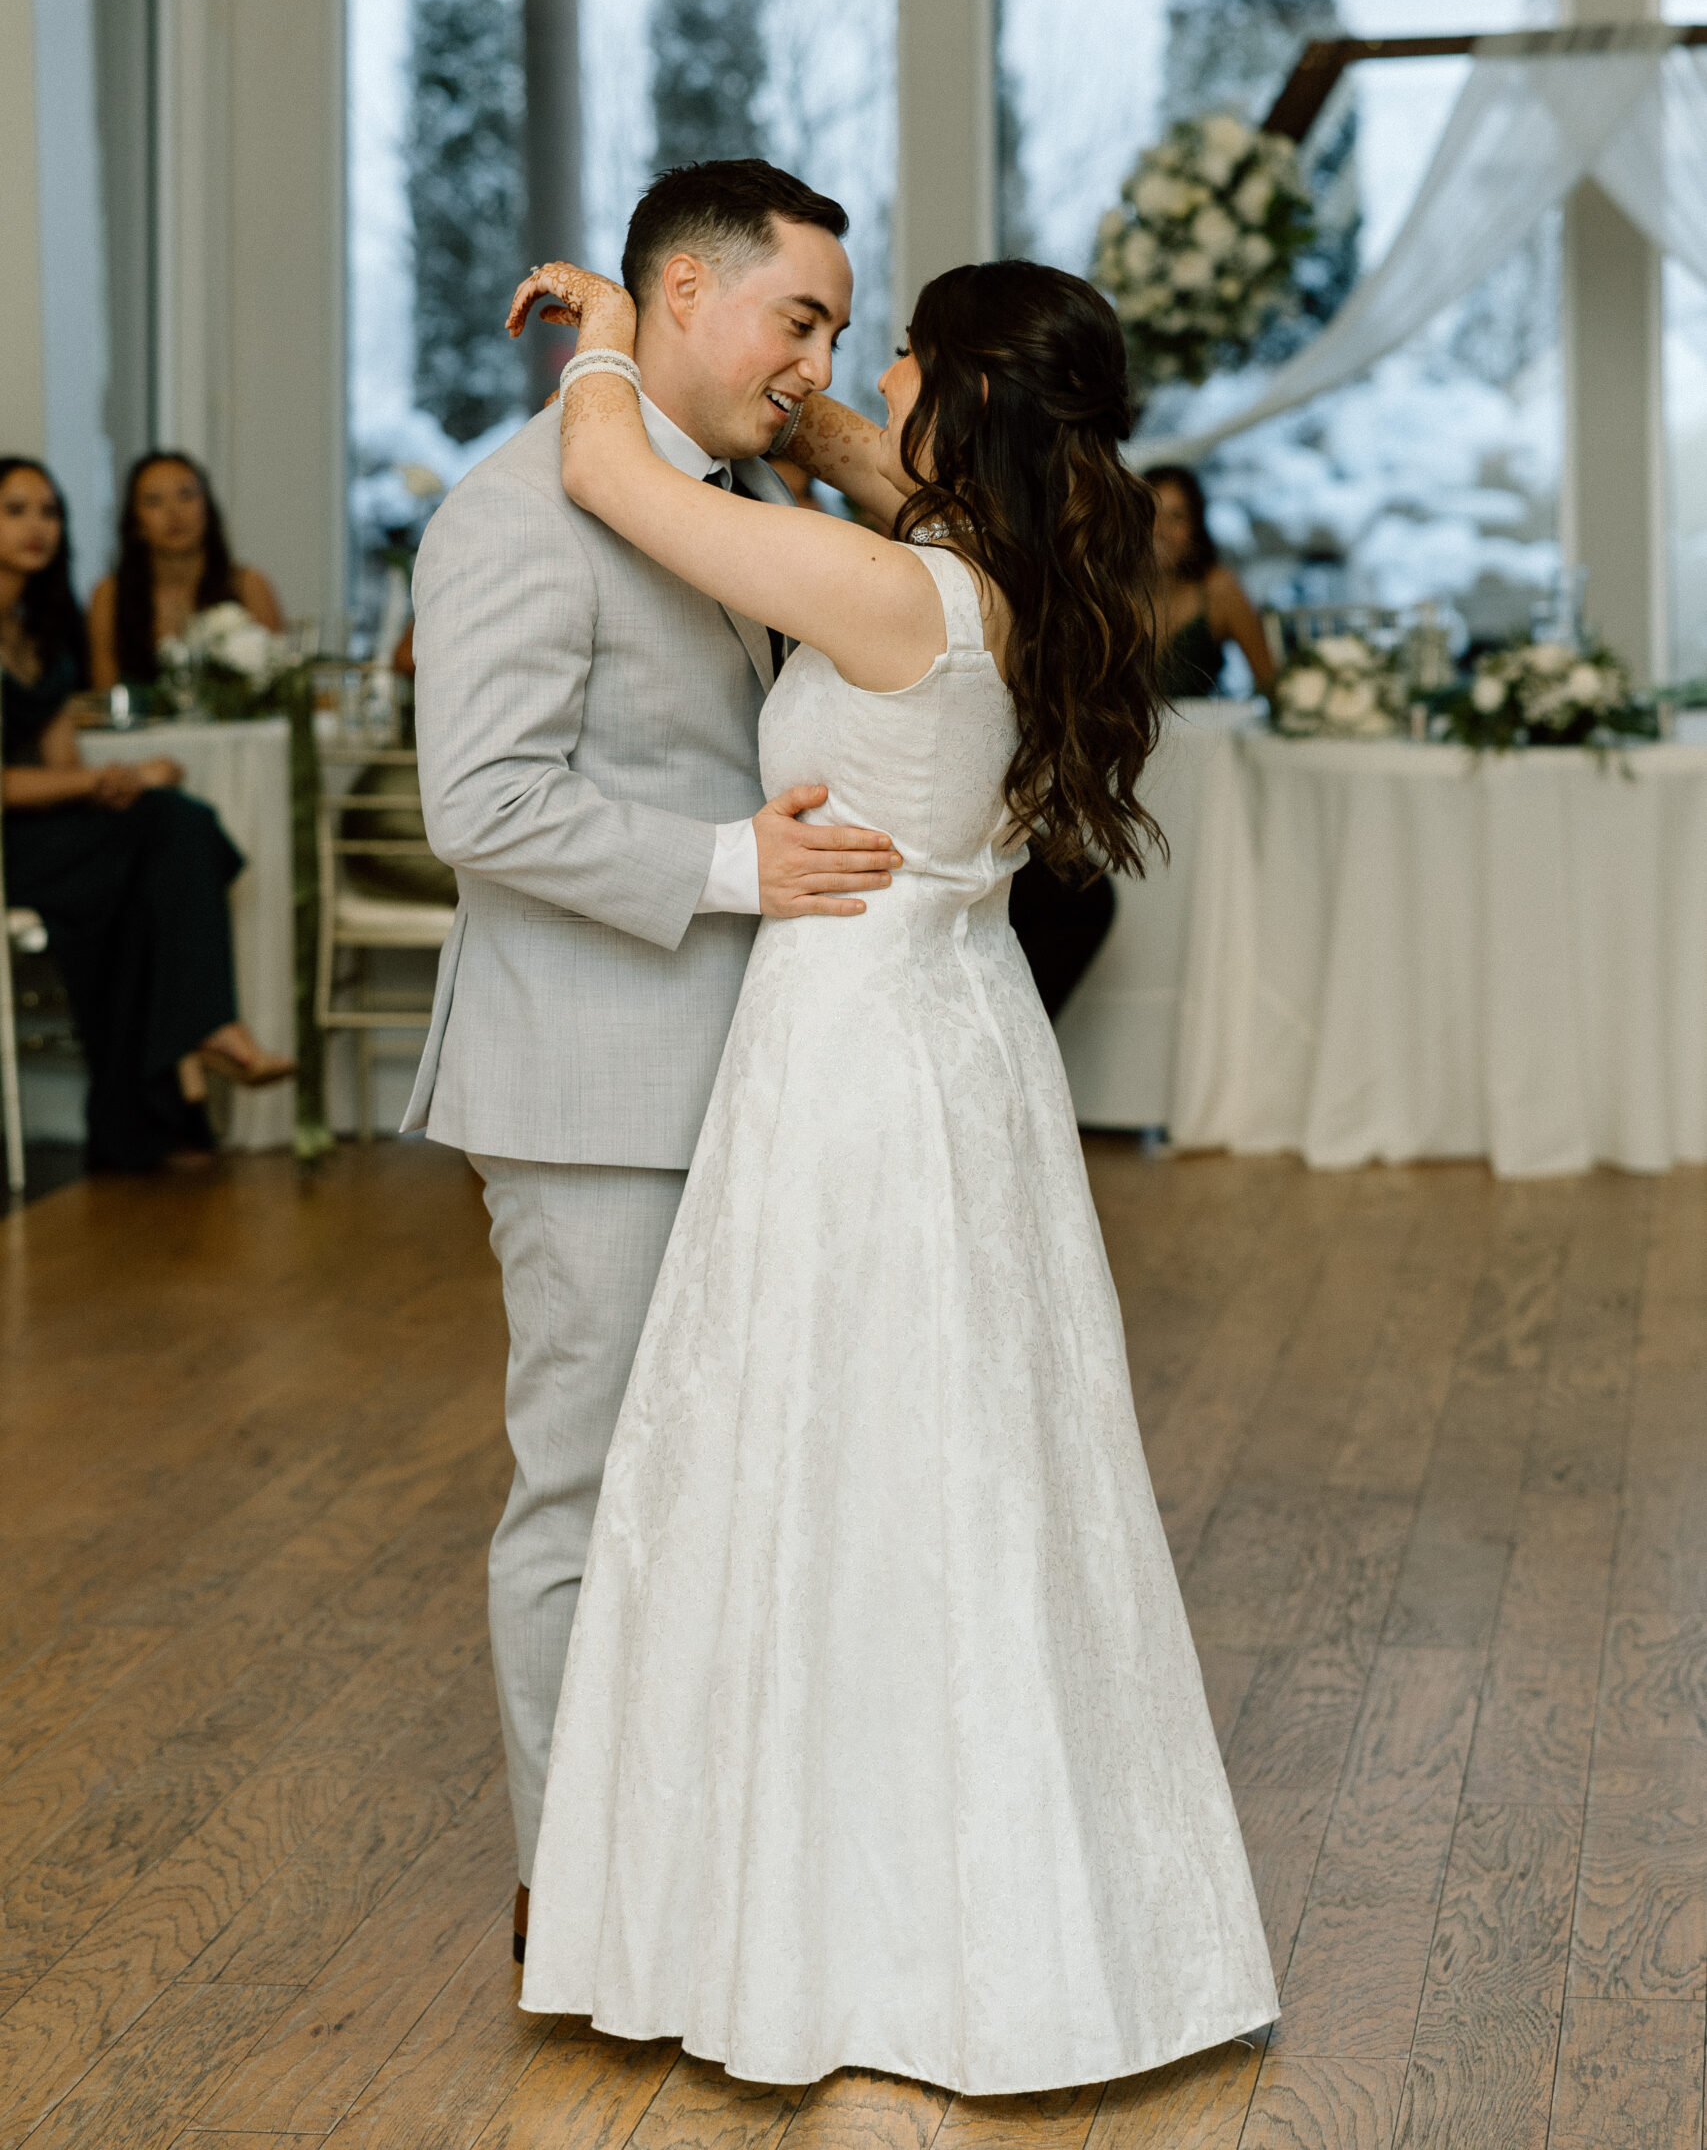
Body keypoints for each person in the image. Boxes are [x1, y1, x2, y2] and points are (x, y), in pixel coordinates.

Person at [510, 255, 1278, 2090]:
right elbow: (886, 474)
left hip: (853, 1056)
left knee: (834, 1459)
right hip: (960, 1042)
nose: (867, 379)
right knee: (956, 1465)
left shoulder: (890, 592)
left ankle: (847, 1941)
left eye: (897, 355)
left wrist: (619, 339)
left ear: (962, 394)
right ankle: (991, 1910)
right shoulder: (1014, 575)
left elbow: (616, 483)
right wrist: (807, 405)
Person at [401, 161, 899, 1963]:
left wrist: (816, 424)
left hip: (738, 1072)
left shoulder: (723, 493)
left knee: (723, 1487)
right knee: (588, 1490)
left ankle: (702, 1868)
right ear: (679, 295)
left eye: (838, 330)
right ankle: (577, 1897)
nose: (817, 358)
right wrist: (731, 866)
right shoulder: (521, 510)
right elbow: (486, 801)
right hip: (591, 1088)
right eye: (798, 318)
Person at [0, 457, 294, 1171]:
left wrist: (105, 788)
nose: (37, 527)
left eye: (48, 511)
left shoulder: (37, 629)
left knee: (163, 838)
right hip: (9, 843)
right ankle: (207, 1034)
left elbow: (59, 759)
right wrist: (111, 779)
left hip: (44, 833)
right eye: (14, 511)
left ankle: (149, 1116)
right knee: (174, 827)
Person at [88, 451, 285, 692]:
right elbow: (104, 695)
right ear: (136, 522)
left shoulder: (248, 585)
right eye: (153, 501)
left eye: (186, 495)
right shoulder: (109, 595)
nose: (174, 512)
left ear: (208, 507)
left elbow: (280, 683)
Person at [1143, 461, 1277, 700]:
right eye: (1150, 514)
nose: (1160, 530)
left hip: (1200, 734)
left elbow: (1269, 682)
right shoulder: (1111, 591)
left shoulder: (1218, 589)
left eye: (1177, 517)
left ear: (1195, 527)